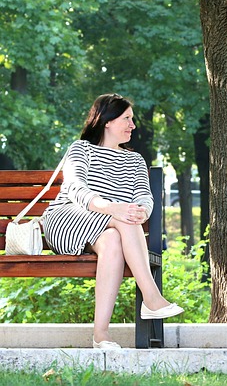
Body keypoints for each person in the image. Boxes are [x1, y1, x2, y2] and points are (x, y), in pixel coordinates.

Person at [43, 94, 183, 349]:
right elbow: (75, 187)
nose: (133, 125)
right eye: (126, 118)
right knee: (124, 219)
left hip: (108, 227)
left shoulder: (135, 160)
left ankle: (101, 335)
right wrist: (111, 208)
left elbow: (143, 195)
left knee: (113, 239)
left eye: (132, 119)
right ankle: (151, 297)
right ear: (107, 121)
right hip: (68, 218)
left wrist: (142, 211)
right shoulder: (81, 149)